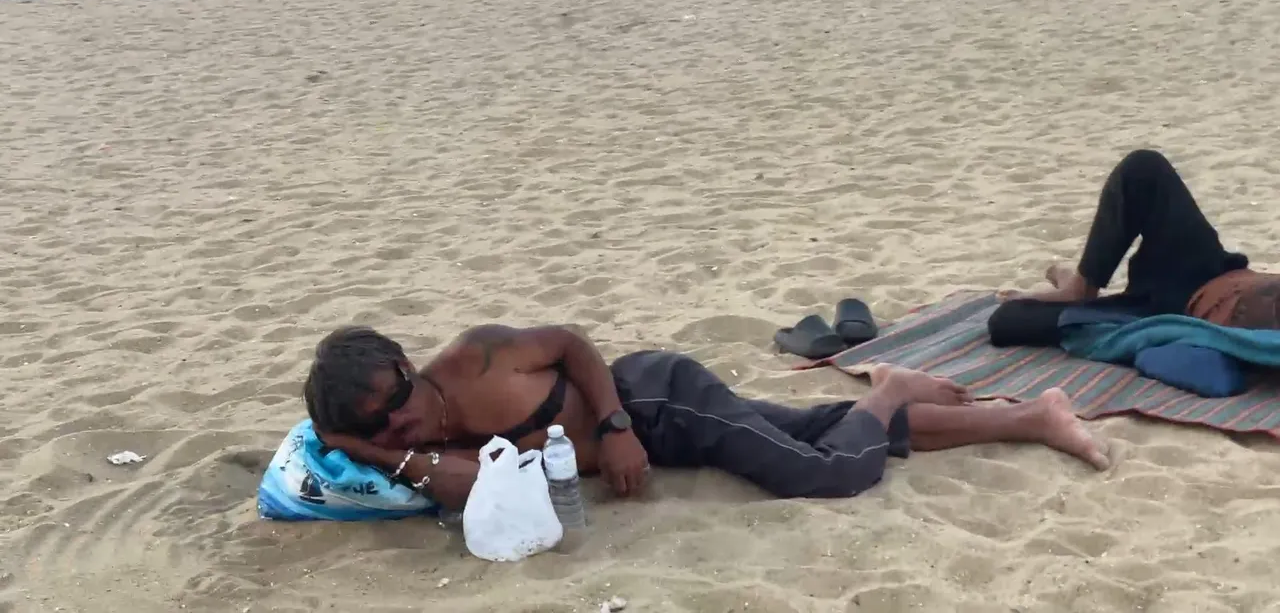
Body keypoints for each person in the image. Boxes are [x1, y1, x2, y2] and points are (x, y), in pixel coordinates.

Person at [305, 325, 1110, 511]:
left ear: (404, 367)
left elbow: (574, 345)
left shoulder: (478, 360)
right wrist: (360, 452)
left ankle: (892, 389)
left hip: (658, 400)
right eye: (378, 428)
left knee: (825, 472)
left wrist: (615, 427)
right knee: (812, 429)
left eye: (396, 404)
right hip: (660, 431)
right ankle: (1033, 418)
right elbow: (471, 489)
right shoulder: (414, 445)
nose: (399, 427)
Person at [992, 149, 1280, 348]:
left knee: (1007, 320)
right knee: (1143, 167)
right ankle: (1080, 285)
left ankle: (1076, 292)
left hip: (1175, 308)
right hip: (1218, 268)